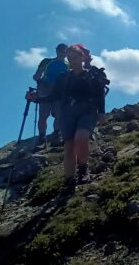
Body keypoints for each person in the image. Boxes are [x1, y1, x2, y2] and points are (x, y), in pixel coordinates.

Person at [39, 44, 108, 185]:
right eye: (70, 57)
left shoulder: (92, 74)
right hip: (68, 113)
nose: (72, 60)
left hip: (88, 110)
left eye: (75, 57)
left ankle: (83, 168)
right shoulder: (63, 77)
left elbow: (100, 93)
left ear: (82, 57)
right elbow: (54, 96)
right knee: (69, 146)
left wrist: (101, 112)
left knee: (81, 138)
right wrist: (36, 98)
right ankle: (69, 180)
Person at [33, 43, 69, 144]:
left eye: (65, 51)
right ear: (57, 50)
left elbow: (36, 76)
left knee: (56, 113)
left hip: (55, 90)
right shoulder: (49, 62)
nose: (63, 53)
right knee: (49, 114)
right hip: (49, 89)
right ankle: (47, 135)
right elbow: (36, 76)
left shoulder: (66, 64)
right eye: (61, 50)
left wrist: (39, 80)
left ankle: (50, 134)